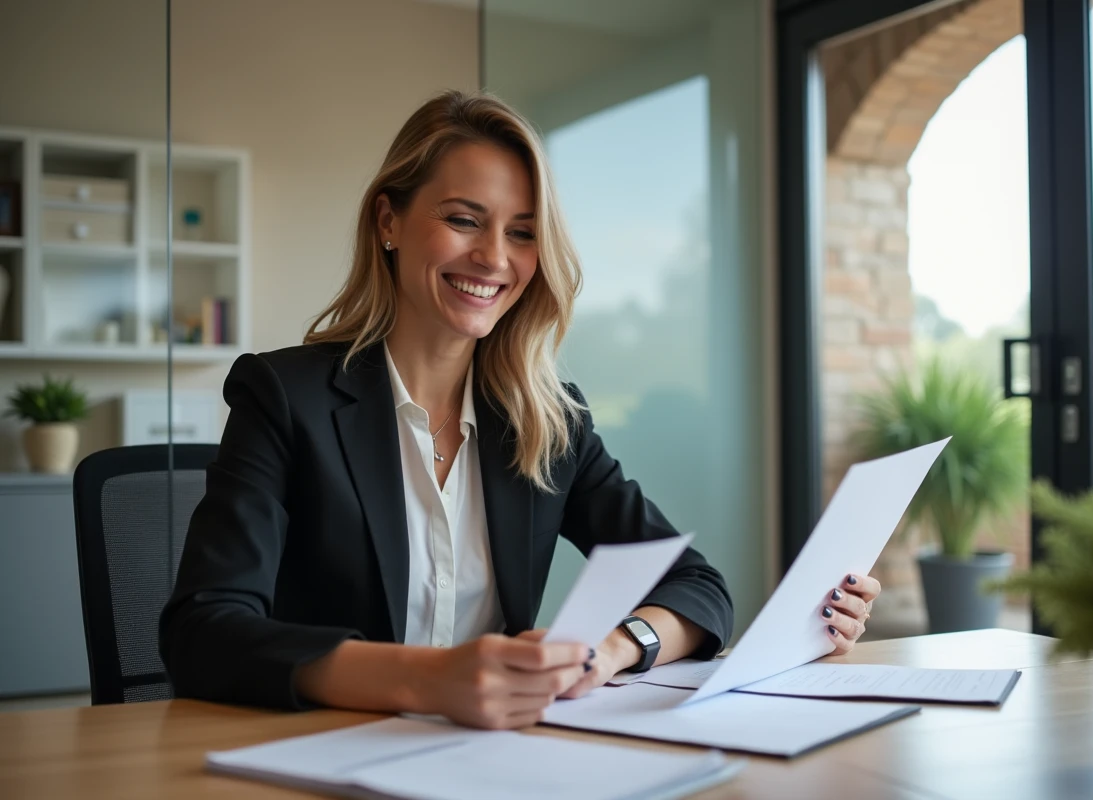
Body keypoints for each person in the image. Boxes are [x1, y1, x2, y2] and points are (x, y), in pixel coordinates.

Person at [159, 90, 880, 730]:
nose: (494, 258)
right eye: (464, 220)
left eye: (523, 232)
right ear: (390, 220)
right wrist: (428, 680)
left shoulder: (547, 420)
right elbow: (205, 630)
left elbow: (699, 589)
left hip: (494, 761)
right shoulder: (287, 398)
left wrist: (608, 652)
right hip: (318, 755)